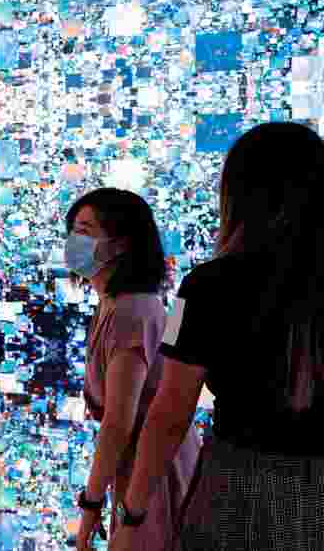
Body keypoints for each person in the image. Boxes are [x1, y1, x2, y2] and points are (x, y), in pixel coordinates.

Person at [108, 122, 324, 551]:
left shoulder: (203, 288)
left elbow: (169, 415)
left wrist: (132, 516)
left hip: (234, 496)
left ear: (237, 196)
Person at [64, 189, 200, 551]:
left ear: (120, 244)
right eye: (73, 230)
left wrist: (90, 506)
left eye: (85, 230)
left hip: (151, 473)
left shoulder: (130, 312)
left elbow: (118, 423)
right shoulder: (114, 304)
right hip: (142, 465)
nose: (72, 242)